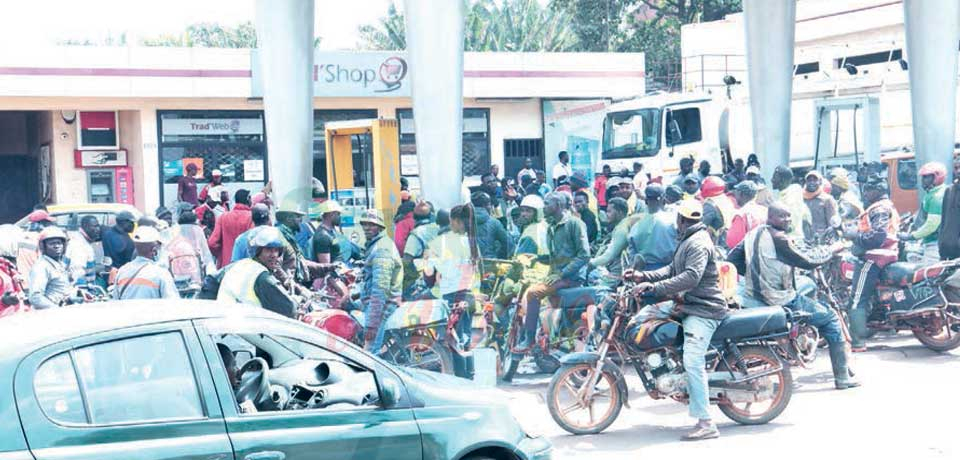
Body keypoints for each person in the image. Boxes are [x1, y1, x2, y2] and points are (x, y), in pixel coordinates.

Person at [624, 199, 728, 441]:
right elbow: (672, 269)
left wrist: (655, 287)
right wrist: (643, 276)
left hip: (703, 309)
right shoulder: (687, 240)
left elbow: (691, 277)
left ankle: (706, 422)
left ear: (681, 220)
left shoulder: (698, 243)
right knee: (648, 316)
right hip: (686, 304)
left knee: (693, 361)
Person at [727, 203, 859, 389]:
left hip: (753, 294)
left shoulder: (753, 234)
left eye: (789, 216)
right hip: (778, 297)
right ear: (771, 217)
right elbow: (809, 260)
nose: (787, 220)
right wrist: (832, 249)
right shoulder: (779, 238)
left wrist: (756, 274)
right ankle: (843, 378)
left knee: (807, 289)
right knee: (831, 319)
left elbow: (732, 260)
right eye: (782, 216)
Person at [519, 192, 590, 350]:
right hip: (557, 276)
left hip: (571, 278)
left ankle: (529, 339)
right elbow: (555, 257)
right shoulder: (552, 227)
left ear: (557, 205)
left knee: (533, 293)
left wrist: (561, 274)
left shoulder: (575, 224)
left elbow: (584, 256)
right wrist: (537, 258)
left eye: (547, 204)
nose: (543, 208)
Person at [844, 176, 899, 352]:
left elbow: (877, 237)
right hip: (887, 255)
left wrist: (855, 236)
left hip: (873, 257)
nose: (865, 193)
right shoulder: (887, 206)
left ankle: (858, 342)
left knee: (857, 299)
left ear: (878, 190)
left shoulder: (879, 209)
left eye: (868, 189)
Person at [422, 204, 481, 345]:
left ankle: (453, 366)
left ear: (455, 221)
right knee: (464, 340)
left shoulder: (447, 242)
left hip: (453, 295)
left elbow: (434, 271)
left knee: (453, 341)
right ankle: (467, 367)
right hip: (470, 295)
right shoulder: (471, 241)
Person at [217, 226, 298, 318]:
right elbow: (289, 309)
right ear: (257, 252)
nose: (274, 255)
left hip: (227, 322)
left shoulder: (239, 265)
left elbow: (211, 280)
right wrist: (296, 301)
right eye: (268, 250)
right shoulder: (262, 276)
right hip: (248, 326)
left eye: (276, 250)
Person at [358, 209, 403, 352]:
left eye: (371, 225)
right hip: (376, 301)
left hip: (383, 305)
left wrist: (372, 324)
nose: (367, 228)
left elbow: (380, 289)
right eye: (364, 224)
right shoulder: (376, 244)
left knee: (370, 354)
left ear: (380, 227)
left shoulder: (382, 249)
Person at [113, 226, 179, 300]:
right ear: (154, 251)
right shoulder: (161, 273)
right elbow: (173, 303)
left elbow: (115, 301)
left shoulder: (122, 271)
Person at [900, 162, 947, 263]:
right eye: (922, 177)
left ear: (936, 177)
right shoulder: (934, 193)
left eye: (926, 177)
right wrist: (911, 219)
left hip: (934, 244)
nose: (923, 181)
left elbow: (932, 225)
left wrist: (911, 236)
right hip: (931, 242)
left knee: (925, 274)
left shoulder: (937, 197)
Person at [589, 197, 642, 286]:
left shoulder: (622, 228)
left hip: (620, 275)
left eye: (609, 211)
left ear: (620, 212)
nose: (607, 214)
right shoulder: (626, 224)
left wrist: (590, 263)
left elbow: (608, 257)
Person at [628, 185, 679, 271]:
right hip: (670, 270)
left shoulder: (636, 224)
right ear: (664, 200)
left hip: (644, 272)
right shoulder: (674, 220)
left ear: (646, 201)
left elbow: (632, 253)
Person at [167, 205, 216, 289]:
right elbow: (190, 269)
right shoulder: (182, 245)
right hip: (186, 284)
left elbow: (207, 257)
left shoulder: (192, 240)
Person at [401, 201, 440, 295]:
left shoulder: (416, 234)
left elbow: (407, 260)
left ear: (414, 218)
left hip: (422, 284)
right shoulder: (440, 229)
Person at [208, 189, 254, 268]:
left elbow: (212, 243)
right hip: (247, 266)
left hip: (226, 266)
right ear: (248, 199)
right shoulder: (252, 218)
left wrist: (221, 254)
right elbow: (254, 243)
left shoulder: (223, 217)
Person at [28, 227, 71, 309]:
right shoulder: (41, 267)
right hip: (49, 315)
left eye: (59, 243)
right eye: (52, 244)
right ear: (43, 246)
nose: (57, 246)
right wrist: (56, 310)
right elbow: (35, 297)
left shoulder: (60, 264)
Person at [771, 166, 811, 239]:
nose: (772, 180)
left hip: (792, 240)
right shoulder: (784, 195)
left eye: (774, 177)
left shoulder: (792, 196)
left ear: (782, 180)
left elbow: (791, 224)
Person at [16, 210, 56, 284]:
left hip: (24, 281)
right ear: (40, 224)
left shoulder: (22, 236)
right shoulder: (40, 239)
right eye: (47, 223)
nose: (49, 225)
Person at [726, 181, 767, 248]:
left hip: (747, 254)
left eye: (736, 192)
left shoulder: (742, 214)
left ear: (741, 194)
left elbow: (733, 243)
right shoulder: (765, 210)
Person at [471, 192, 511, 259]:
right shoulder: (494, 223)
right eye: (490, 204)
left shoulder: (462, 222)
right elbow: (509, 244)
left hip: (468, 265)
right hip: (489, 263)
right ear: (486, 205)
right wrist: (498, 256)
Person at [64, 215, 103, 283]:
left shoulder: (82, 241)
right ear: (85, 226)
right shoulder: (80, 246)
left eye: (98, 226)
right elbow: (77, 275)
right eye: (95, 226)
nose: (98, 229)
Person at [803, 171, 840, 241]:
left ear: (820, 182)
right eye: (809, 180)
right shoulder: (801, 198)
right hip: (804, 238)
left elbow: (832, 223)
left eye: (815, 180)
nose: (812, 183)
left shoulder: (827, 199)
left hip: (821, 238)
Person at [700, 176, 736, 247]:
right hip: (729, 237)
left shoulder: (710, 204)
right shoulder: (724, 198)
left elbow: (701, 225)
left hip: (718, 241)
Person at [312, 200, 347, 264]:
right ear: (331, 214)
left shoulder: (331, 232)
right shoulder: (323, 237)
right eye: (338, 214)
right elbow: (326, 266)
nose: (340, 217)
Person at [940, 156, 960, 260]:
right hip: (947, 249)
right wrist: (941, 244)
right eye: (956, 168)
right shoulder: (949, 190)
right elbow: (943, 220)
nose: (958, 171)